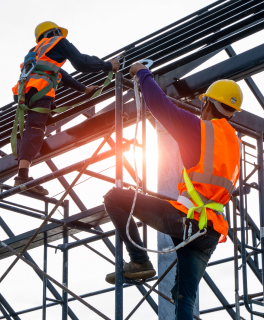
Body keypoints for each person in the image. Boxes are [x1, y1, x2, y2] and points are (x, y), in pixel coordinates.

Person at [102, 62, 243, 319]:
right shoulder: (235, 143)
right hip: (210, 232)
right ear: (232, 113)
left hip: (185, 220)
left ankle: (140, 260)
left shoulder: (198, 128)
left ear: (207, 104)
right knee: (184, 296)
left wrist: (142, 72)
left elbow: (159, 104)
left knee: (114, 199)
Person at [12, 21, 120, 196]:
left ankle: (23, 174)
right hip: (40, 90)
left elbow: (60, 74)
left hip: (24, 93)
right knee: (35, 127)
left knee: (34, 125)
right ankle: (22, 177)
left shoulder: (35, 52)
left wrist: (84, 89)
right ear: (54, 32)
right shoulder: (58, 41)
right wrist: (108, 65)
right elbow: (81, 63)